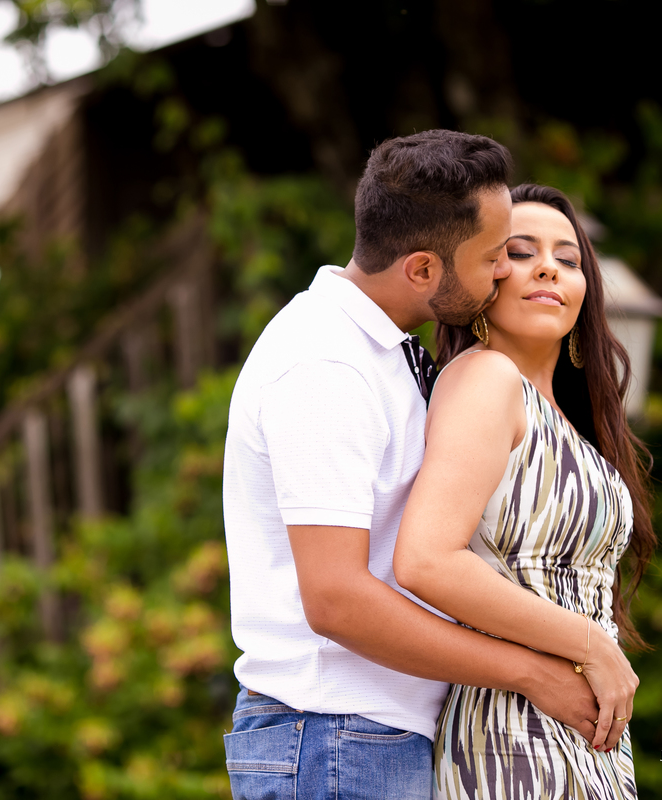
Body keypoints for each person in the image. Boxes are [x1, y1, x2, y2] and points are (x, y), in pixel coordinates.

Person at [221, 132, 601, 800]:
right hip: (333, 737)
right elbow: (336, 600)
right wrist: (531, 672)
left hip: (365, 738)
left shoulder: (382, 352)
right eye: (493, 256)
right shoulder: (325, 364)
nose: (505, 272)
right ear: (423, 269)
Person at [392, 183, 656, 799]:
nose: (548, 268)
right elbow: (427, 560)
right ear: (484, 276)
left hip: (576, 734)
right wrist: (591, 645)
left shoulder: (561, 417)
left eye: (568, 259)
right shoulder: (487, 378)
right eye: (520, 251)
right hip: (510, 735)